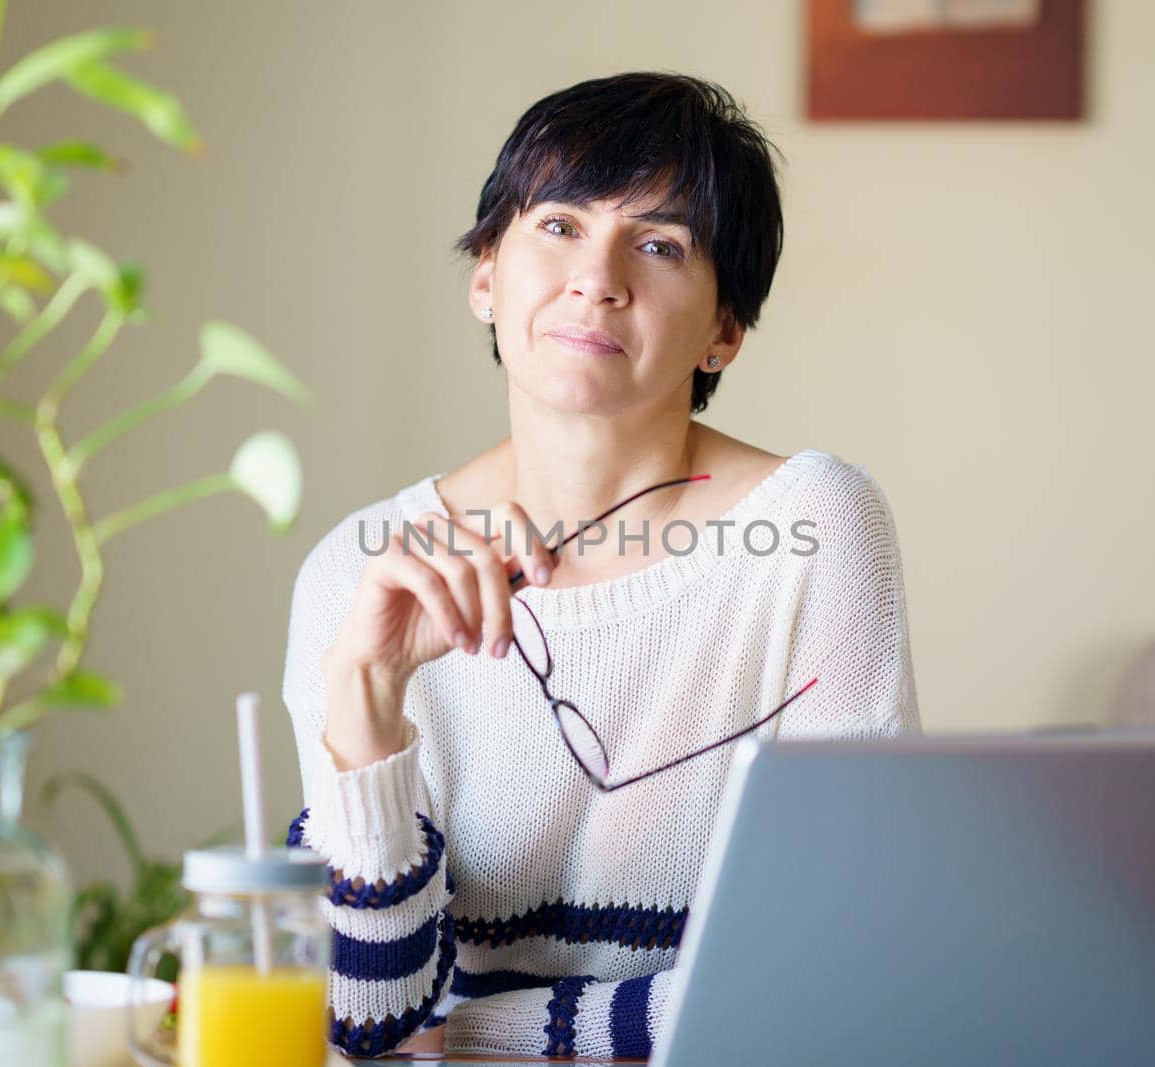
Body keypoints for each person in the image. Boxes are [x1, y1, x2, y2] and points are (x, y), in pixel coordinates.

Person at [281, 71, 921, 1059]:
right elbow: (364, 1024)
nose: (598, 277)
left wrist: (467, 1038)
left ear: (725, 329)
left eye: (659, 243)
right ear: (485, 273)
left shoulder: (812, 525)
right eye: (560, 225)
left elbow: (839, 966)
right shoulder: (360, 575)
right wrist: (365, 700)